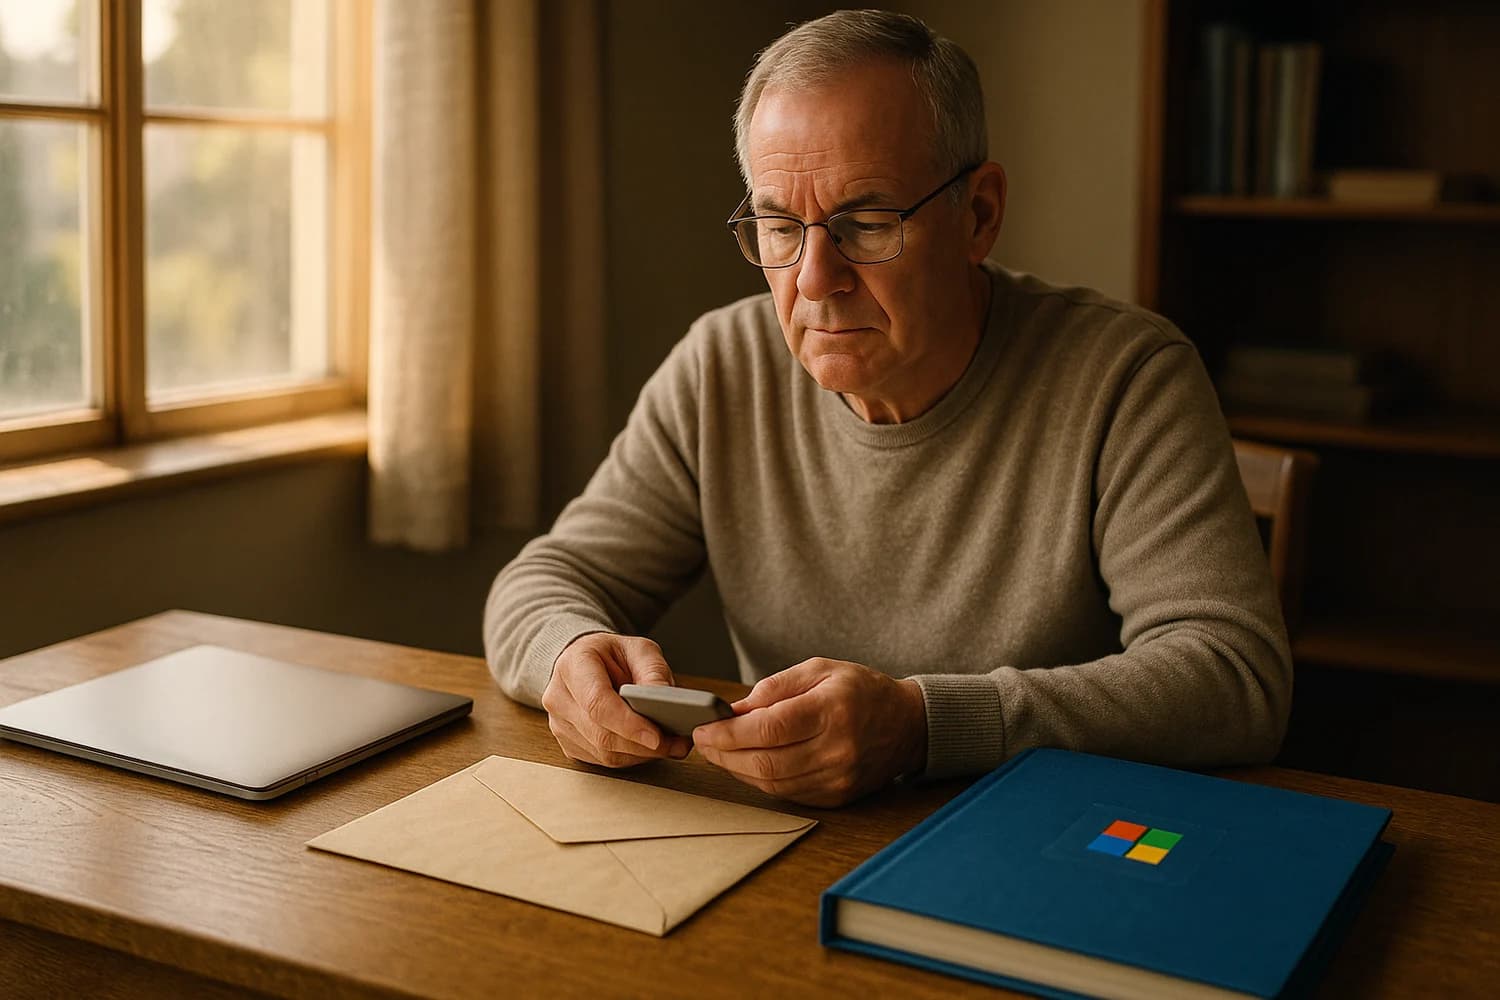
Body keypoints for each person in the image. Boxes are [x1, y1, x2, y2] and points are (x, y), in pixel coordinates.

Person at [483, 10, 1290, 808]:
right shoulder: (720, 366)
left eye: (865, 224)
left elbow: (1232, 676)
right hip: (786, 845)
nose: (813, 279)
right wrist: (571, 655)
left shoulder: (1127, 376)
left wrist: (924, 726)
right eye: (777, 225)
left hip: (1048, 840)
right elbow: (546, 580)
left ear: (978, 215)